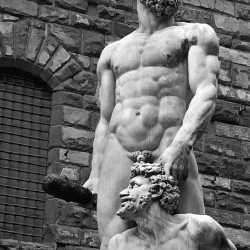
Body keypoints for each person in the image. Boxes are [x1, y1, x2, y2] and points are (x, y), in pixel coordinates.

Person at [83, 0, 220, 249]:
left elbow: (206, 91)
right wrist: (95, 173)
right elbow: (105, 118)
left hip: (170, 146)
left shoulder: (194, 34)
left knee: (193, 240)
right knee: (111, 242)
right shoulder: (112, 52)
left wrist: (182, 145)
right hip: (118, 152)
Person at [109, 163, 236, 250]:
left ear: (157, 189)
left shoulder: (198, 229)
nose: (123, 193)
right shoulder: (119, 245)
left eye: (134, 186)